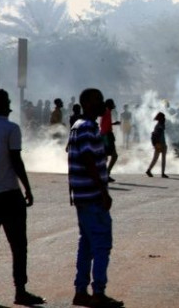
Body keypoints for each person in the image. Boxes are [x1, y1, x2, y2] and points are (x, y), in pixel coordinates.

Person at [0, 89, 44, 306]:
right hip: (10, 194)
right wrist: (27, 188)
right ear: (7, 105)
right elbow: (16, 160)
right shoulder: (12, 128)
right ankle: (20, 290)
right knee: (18, 245)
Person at [67, 88, 124, 308]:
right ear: (88, 104)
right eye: (98, 101)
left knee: (87, 244)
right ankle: (98, 292)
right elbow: (90, 161)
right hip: (92, 197)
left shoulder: (77, 127)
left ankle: (81, 291)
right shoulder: (89, 127)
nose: (102, 105)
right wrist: (103, 191)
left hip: (81, 196)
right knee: (101, 245)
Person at [100, 99, 120, 183]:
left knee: (105, 157)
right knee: (113, 156)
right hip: (107, 136)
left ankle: (104, 174)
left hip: (105, 135)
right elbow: (104, 126)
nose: (113, 105)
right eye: (112, 104)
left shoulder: (106, 112)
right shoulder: (107, 112)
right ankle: (106, 174)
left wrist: (113, 124)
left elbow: (104, 124)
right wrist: (106, 138)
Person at [146, 112, 169, 178]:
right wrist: (158, 143)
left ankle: (149, 170)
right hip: (161, 144)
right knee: (163, 159)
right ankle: (163, 173)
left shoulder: (158, 125)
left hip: (158, 144)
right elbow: (159, 134)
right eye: (163, 117)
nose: (164, 119)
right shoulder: (161, 125)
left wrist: (156, 144)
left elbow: (155, 135)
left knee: (155, 159)